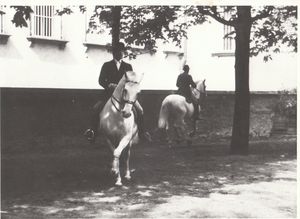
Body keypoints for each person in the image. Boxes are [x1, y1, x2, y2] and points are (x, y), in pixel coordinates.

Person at [84, 42, 152, 143]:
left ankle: (142, 132)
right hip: (109, 94)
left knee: (140, 110)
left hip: (126, 95)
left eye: (122, 51)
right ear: (114, 53)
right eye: (118, 51)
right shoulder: (107, 65)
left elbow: (131, 82)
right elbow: (101, 80)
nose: (120, 53)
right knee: (96, 108)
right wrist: (109, 85)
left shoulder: (128, 66)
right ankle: (92, 131)